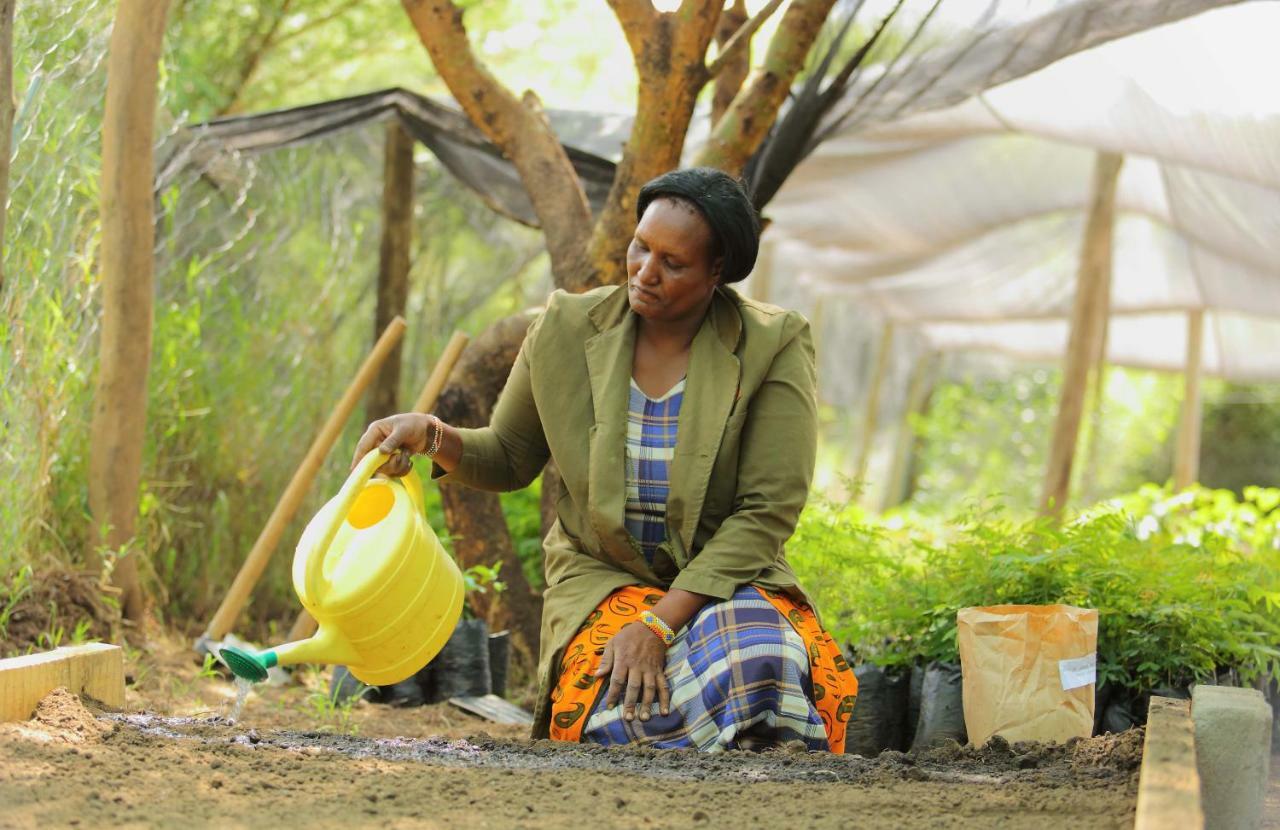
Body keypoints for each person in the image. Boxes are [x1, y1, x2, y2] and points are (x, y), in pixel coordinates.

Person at [353, 167, 857, 751]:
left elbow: (767, 512)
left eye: (674, 263)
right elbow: (511, 456)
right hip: (604, 579)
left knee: (763, 656)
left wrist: (659, 623)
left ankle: (737, 760)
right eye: (640, 247)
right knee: (622, 696)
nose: (645, 271)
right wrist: (430, 434)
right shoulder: (566, 328)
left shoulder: (772, 345)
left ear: (717, 272)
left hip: (722, 582)